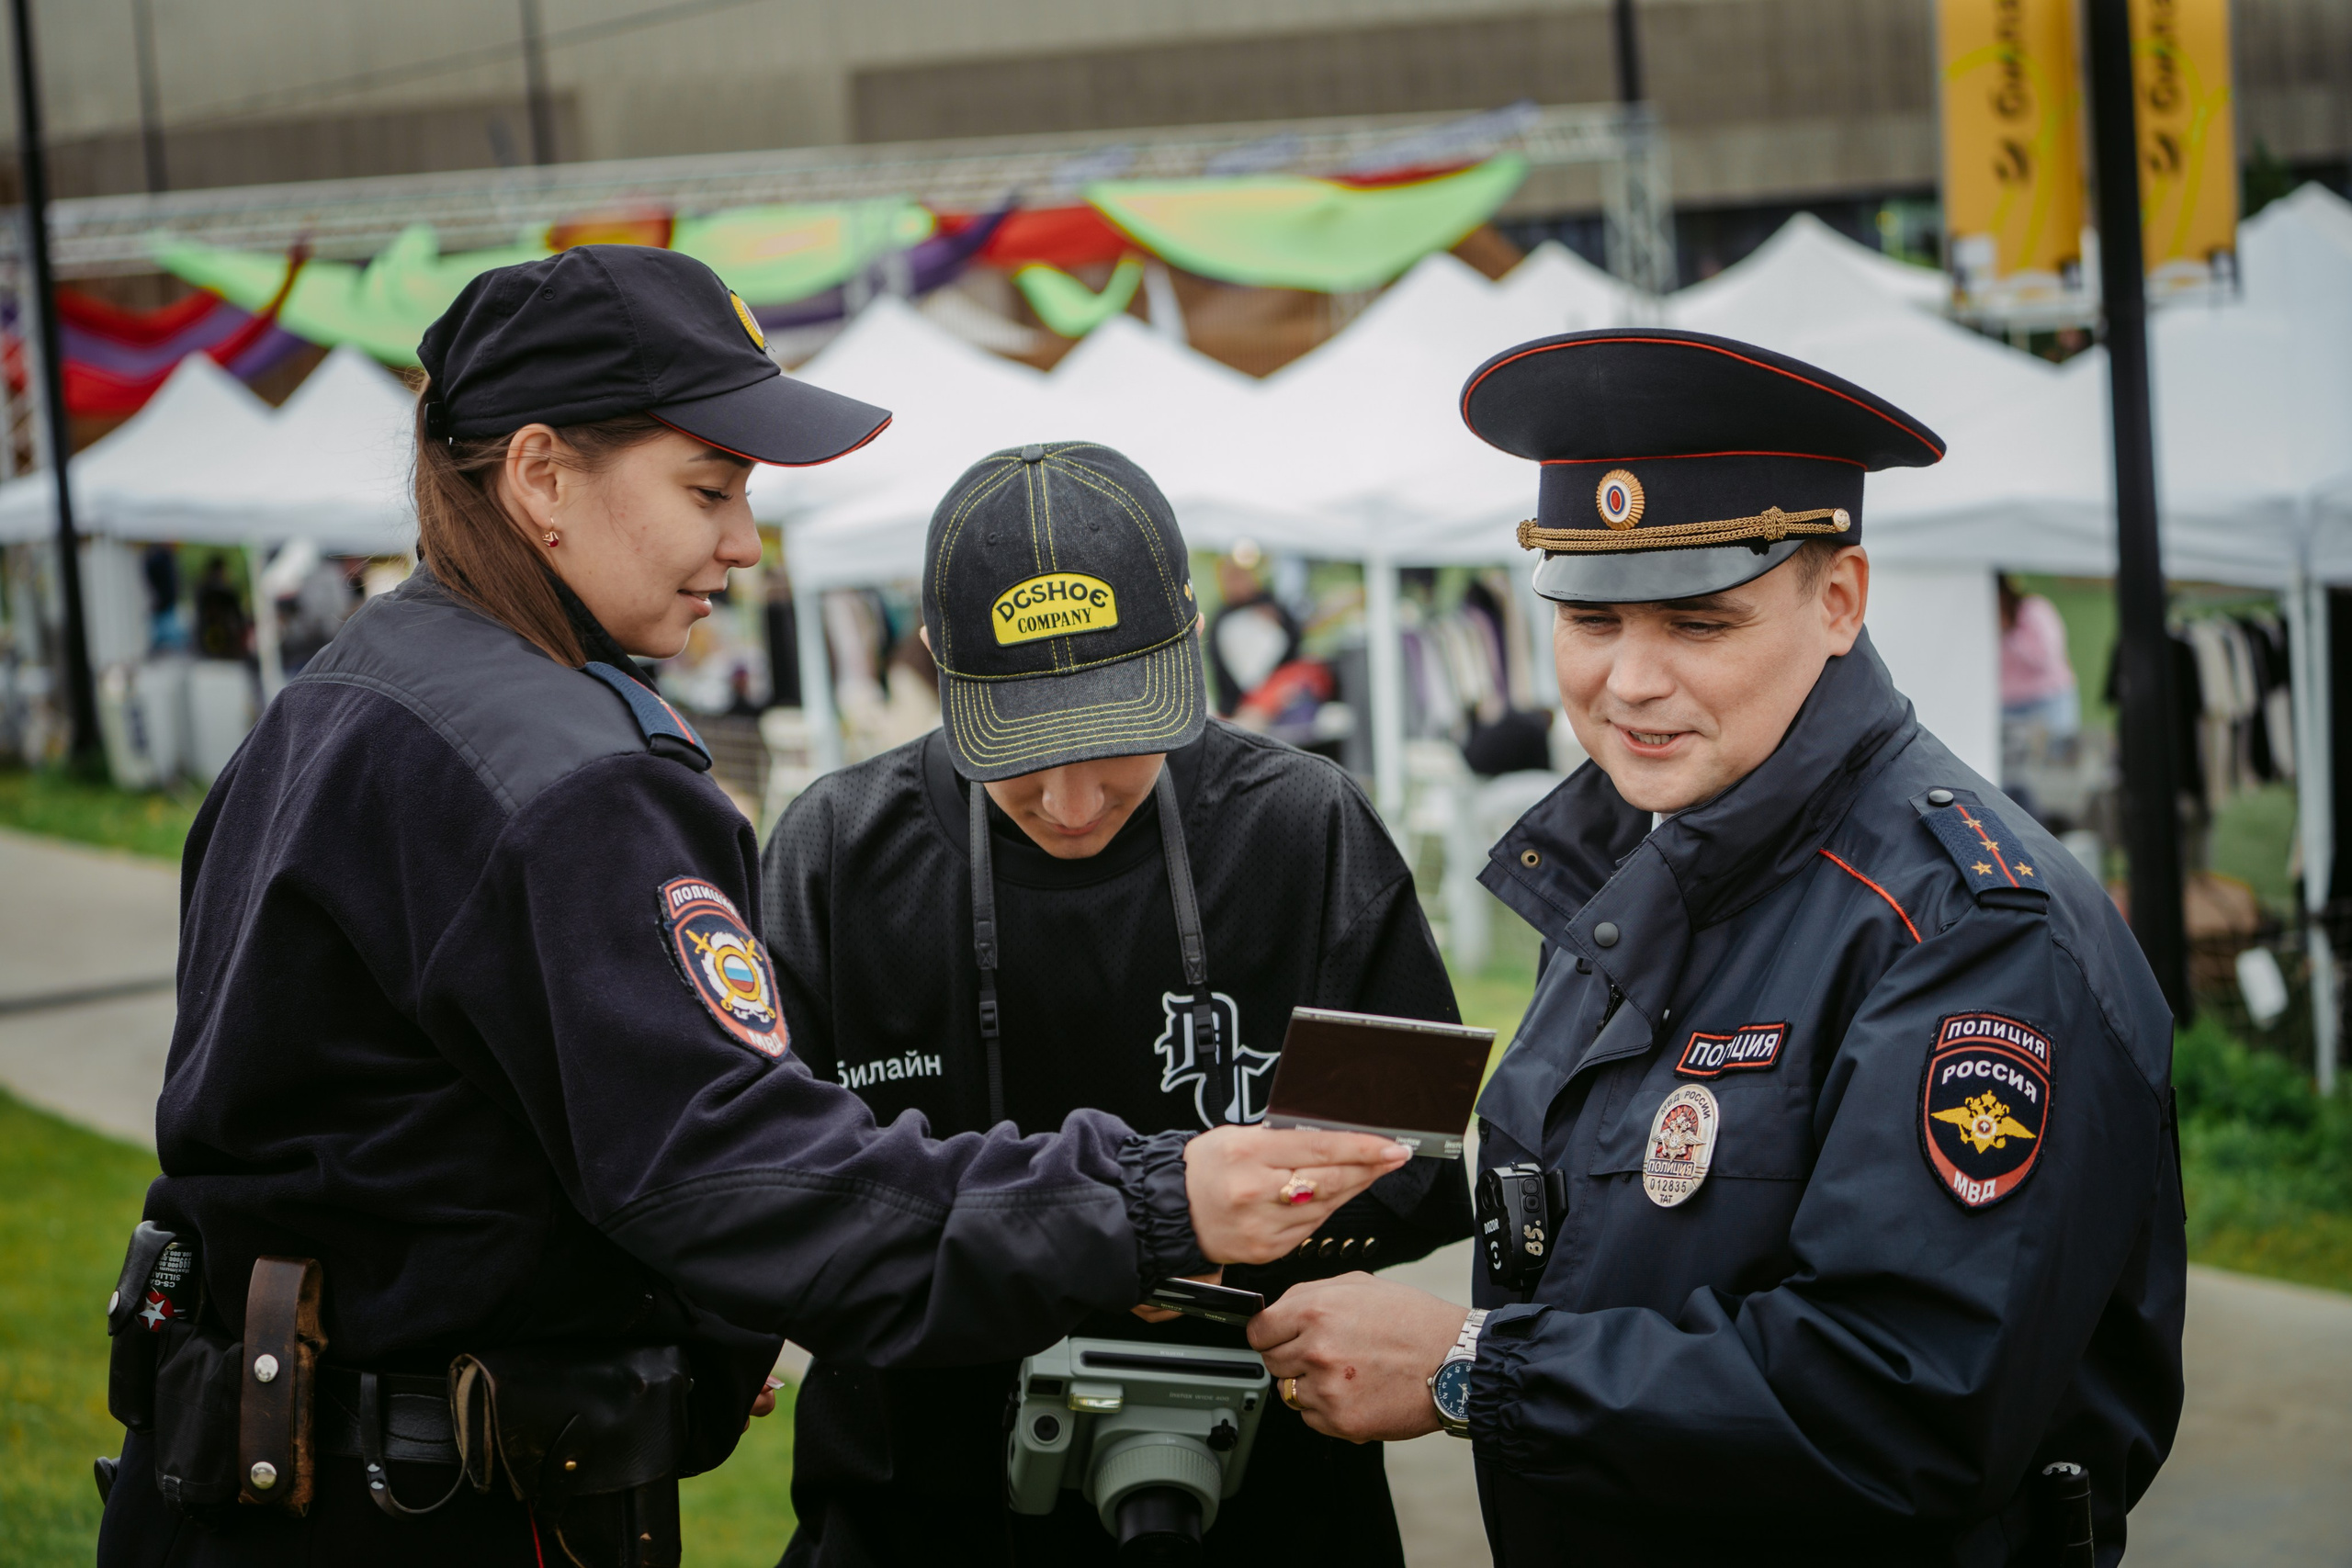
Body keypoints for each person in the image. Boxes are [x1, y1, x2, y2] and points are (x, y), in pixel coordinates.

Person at [94, 247, 1408, 1568]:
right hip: (437, 1500)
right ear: (541, 476)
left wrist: (682, 1313)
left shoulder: (353, 696)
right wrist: (1148, 1198)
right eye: (708, 487)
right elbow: (750, 1172)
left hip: (270, 1469)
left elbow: (500, 1142)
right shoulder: (606, 783)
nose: (741, 540)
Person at [1245, 329, 2187, 1565]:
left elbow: (1909, 1397)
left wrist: (1474, 1366)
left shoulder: (1970, 928)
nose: (1630, 678)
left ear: (1838, 599)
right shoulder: (1640, 846)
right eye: (1588, 616)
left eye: (1698, 620)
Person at [760, 441, 1471, 1566]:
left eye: (1116, 736)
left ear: (1185, 639)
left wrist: (1226, 1256)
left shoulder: (1303, 827)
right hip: (916, 1501)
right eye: (1024, 750)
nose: (1074, 799)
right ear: (938, 660)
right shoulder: (836, 853)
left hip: (1269, 1496)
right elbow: (772, 1192)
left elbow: (1413, 1166)